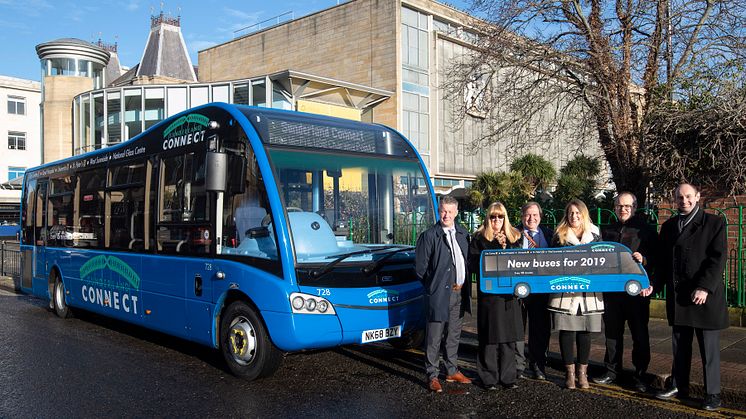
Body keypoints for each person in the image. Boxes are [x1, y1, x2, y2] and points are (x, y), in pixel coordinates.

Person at [655, 183, 728, 411]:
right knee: (680, 347)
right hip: (680, 298)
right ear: (674, 199)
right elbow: (663, 263)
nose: (683, 201)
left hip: (704, 297)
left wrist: (704, 287)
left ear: (697, 197)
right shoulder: (668, 227)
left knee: (709, 350)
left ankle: (712, 394)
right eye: (679, 197)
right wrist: (653, 286)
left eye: (688, 196)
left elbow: (718, 259)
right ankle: (679, 385)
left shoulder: (714, 223)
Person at [593, 192, 657, 392]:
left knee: (640, 335)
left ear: (635, 207)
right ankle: (612, 371)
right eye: (620, 206)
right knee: (612, 334)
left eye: (627, 206)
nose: (623, 209)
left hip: (637, 294)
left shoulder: (645, 230)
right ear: (614, 208)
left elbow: (658, 259)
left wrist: (645, 259)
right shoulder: (607, 230)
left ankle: (640, 376)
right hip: (613, 293)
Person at [415, 195, 472, 393]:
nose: (446, 215)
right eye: (442, 211)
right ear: (438, 211)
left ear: (456, 212)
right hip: (438, 294)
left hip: (459, 293)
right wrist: (433, 287)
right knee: (434, 337)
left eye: (449, 211)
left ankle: (451, 370)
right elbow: (421, 269)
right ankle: (432, 375)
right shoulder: (429, 235)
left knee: (453, 335)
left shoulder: (463, 234)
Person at [549, 199, 604, 389]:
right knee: (567, 332)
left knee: (585, 332)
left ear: (584, 213)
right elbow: (553, 263)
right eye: (571, 213)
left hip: (589, 293)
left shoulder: (595, 233)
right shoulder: (560, 234)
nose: (574, 216)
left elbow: (601, 261)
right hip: (565, 292)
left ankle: (583, 374)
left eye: (578, 212)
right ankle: (569, 374)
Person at [468, 202, 523, 390]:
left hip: (509, 296)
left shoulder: (515, 237)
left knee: (508, 338)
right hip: (490, 296)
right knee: (489, 339)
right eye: (493, 217)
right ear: (487, 218)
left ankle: (508, 377)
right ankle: (488, 378)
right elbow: (474, 266)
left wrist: (505, 246)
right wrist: (494, 245)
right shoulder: (478, 239)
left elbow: (520, 264)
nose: (496, 220)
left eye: (500, 217)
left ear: (505, 218)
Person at [515, 202, 554, 380]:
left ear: (540, 216)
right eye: (527, 215)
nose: (531, 219)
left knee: (540, 329)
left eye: (535, 215)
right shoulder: (513, 234)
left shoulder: (549, 234)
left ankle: (538, 365)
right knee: (517, 329)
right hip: (519, 290)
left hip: (542, 289)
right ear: (522, 216)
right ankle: (518, 365)